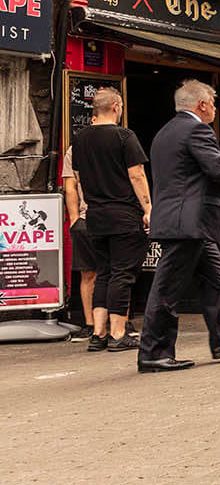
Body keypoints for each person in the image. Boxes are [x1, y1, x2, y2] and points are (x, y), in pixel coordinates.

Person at [138, 80, 220, 372]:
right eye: (213, 103)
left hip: (186, 223)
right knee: (166, 290)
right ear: (201, 104)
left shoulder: (165, 132)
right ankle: (153, 353)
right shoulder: (198, 129)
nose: (215, 109)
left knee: (216, 275)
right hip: (187, 224)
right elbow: (218, 170)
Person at [69, 88, 152, 353]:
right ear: (116, 107)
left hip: (95, 215)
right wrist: (148, 208)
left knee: (103, 272)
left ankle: (99, 333)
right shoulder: (124, 136)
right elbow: (137, 174)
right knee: (122, 273)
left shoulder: (80, 139)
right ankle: (118, 333)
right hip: (124, 215)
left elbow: (79, 178)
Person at [60, 147, 95, 342]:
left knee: (119, 272)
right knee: (88, 273)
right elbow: (70, 184)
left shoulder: (122, 140)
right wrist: (74, 219)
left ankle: (121, 321)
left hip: (114, 216)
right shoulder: (76, 149)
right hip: (85, 217)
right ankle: (90, 324)